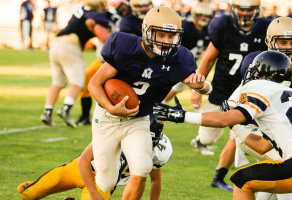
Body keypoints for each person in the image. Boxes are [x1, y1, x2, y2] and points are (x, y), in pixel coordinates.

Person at [87, 6, 211, 200]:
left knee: (142, 167)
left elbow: (203, 87)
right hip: (107, 117)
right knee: (107, 181)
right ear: (146, 31)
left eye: (171, 36)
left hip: (138, 119)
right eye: (160, 35)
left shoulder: (180, 59)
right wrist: (112, 107)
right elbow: (94, 83)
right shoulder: (124, 46)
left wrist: (202, 86)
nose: (166, 41)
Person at [153, 50, 292, 200]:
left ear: (264, 75)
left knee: (242, 181)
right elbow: (263, 146)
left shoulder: (260, 87)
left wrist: (183, 116)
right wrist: (236, 128)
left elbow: (224, 119)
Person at [210, 15, 292, 194]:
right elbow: (245, 98)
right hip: (255, 129)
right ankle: (220, 174)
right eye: (283, 42)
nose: (289, 48)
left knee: (269, 178)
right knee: (283, 165)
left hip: (283, 132)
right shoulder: (257, 60)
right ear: (270, 41)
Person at [189, 0, 270, 190]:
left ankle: (219, 177)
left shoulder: (265, 28)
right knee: (209, 139)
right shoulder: (223, 25)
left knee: (238, 135)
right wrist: (196, 89)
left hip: (248, 92)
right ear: (234, 9)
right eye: (241, 8)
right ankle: (200, 141)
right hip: (222, 90)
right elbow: (209, 58)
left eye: (249, 9)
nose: (244, 13)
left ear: (257, 11)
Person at [17, 114, 173, 200]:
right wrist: (92, 193)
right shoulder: (116, 130)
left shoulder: (158, 150)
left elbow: (155, 179)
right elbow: (84, 160)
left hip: (104, 184)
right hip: (82, 169)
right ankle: (36, 185)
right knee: (28, 194)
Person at [40, 0, 110, 128]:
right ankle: (65, 109)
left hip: (55, 43)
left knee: (58, 83)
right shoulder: (94, 14)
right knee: (79, 82)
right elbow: (101, 33)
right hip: (70, 44)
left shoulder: (83, 10)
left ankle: (47, 112)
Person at [76, 5, 122, 126]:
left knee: (112, 89)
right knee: (86, 82)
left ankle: (112, 116)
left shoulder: (126, 22)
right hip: (101, 60)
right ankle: (85, 116)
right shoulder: (102, 18)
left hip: (114, 62)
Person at [163, 2, 212, 113]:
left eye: (206, 16)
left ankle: (161, 102)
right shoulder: (185, 27)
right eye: (201, 15)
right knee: (195, 84)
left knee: (179, 86)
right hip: (175, 61)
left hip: (187, 64)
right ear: (195, 15)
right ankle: (198, 108)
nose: (204, 18)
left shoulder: (208, 30)